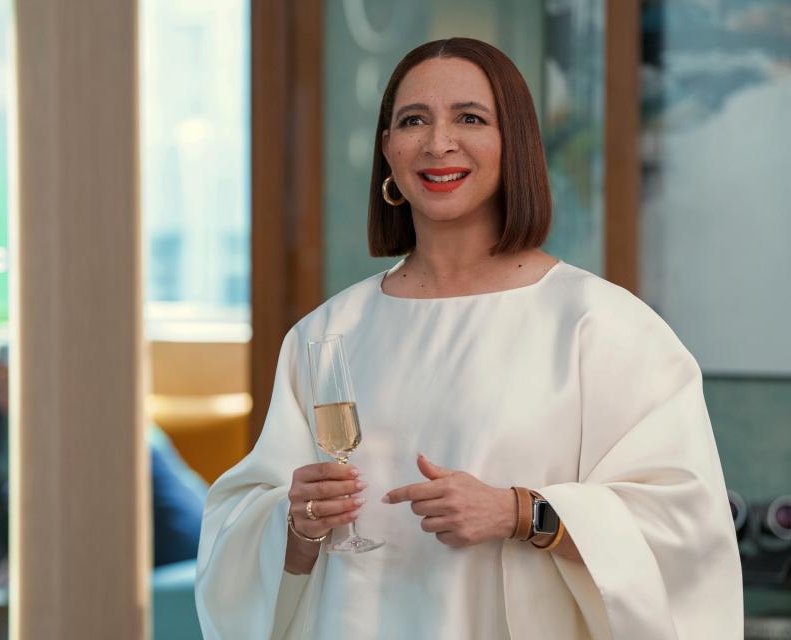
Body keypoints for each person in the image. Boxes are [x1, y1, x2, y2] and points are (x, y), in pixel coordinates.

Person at [194, 38, 742, 639]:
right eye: (413, 121)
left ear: (516, 146)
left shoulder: (601, 327)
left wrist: (520, 512)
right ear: (387, 151)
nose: (438, 143)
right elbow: (239, 549)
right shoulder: (327, 333)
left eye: (470, 118)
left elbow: (687, 530)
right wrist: (295, 523)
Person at [0, 327, 206, 585]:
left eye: (7, 386)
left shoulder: (89, 423)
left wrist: (24, 566)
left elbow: (78, 507)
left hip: (166, 547)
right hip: (8, 542)